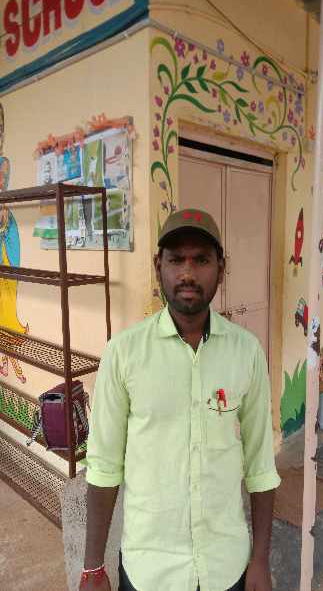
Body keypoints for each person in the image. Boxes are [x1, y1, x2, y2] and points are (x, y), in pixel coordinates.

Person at [80, 208, 281, 591]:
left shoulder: (247, 352)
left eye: (201, 260)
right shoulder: (123, 353)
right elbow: (103, 467)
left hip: (226, 565)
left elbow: (260, 465)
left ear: (221, 268)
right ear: (159, 266)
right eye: (176, 260)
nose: (188, 273)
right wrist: (92, 568)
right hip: (149, 569)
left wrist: (260, 559)